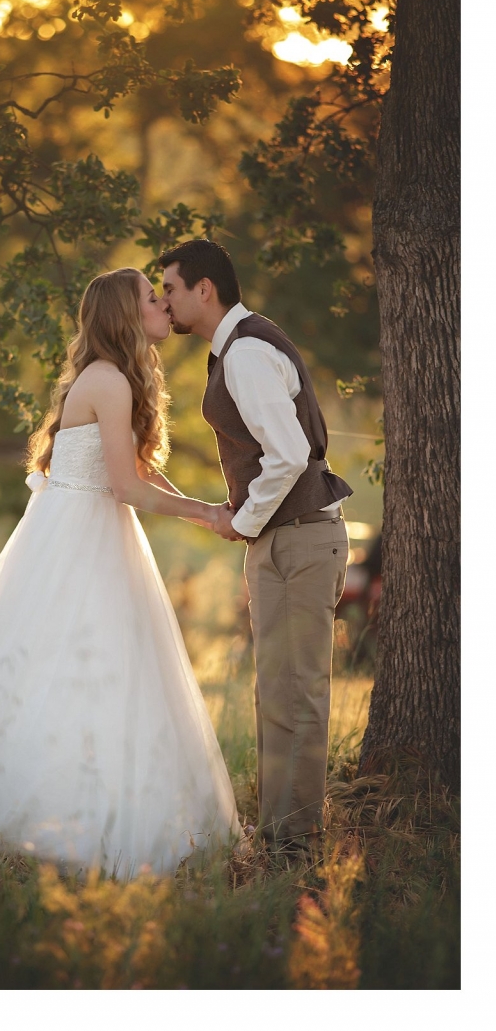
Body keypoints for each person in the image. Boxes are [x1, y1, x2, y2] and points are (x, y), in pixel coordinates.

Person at [0, 267, 240, 877]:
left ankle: (100, 801)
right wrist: (207, 513)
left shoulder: (113, 378)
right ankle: (59, 815)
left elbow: (137, 469)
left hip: (93, 526)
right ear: (125, 315)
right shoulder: (109, 381)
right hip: (83, 533)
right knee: (74, 661)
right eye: (151, 298)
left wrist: (201, 506)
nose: (163, 306)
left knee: (103, 665)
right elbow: (127, 487)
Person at [159, 239, 353, 854]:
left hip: (299, 539)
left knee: (295, 694)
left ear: (205, 289)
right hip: (285, 539)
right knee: (276, 692)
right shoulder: (236, 348)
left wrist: (243, 520)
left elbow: (290, 455)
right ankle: (278, 834)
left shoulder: (244, 353)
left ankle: (295, 845)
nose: (165, 301)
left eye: (170, 289)